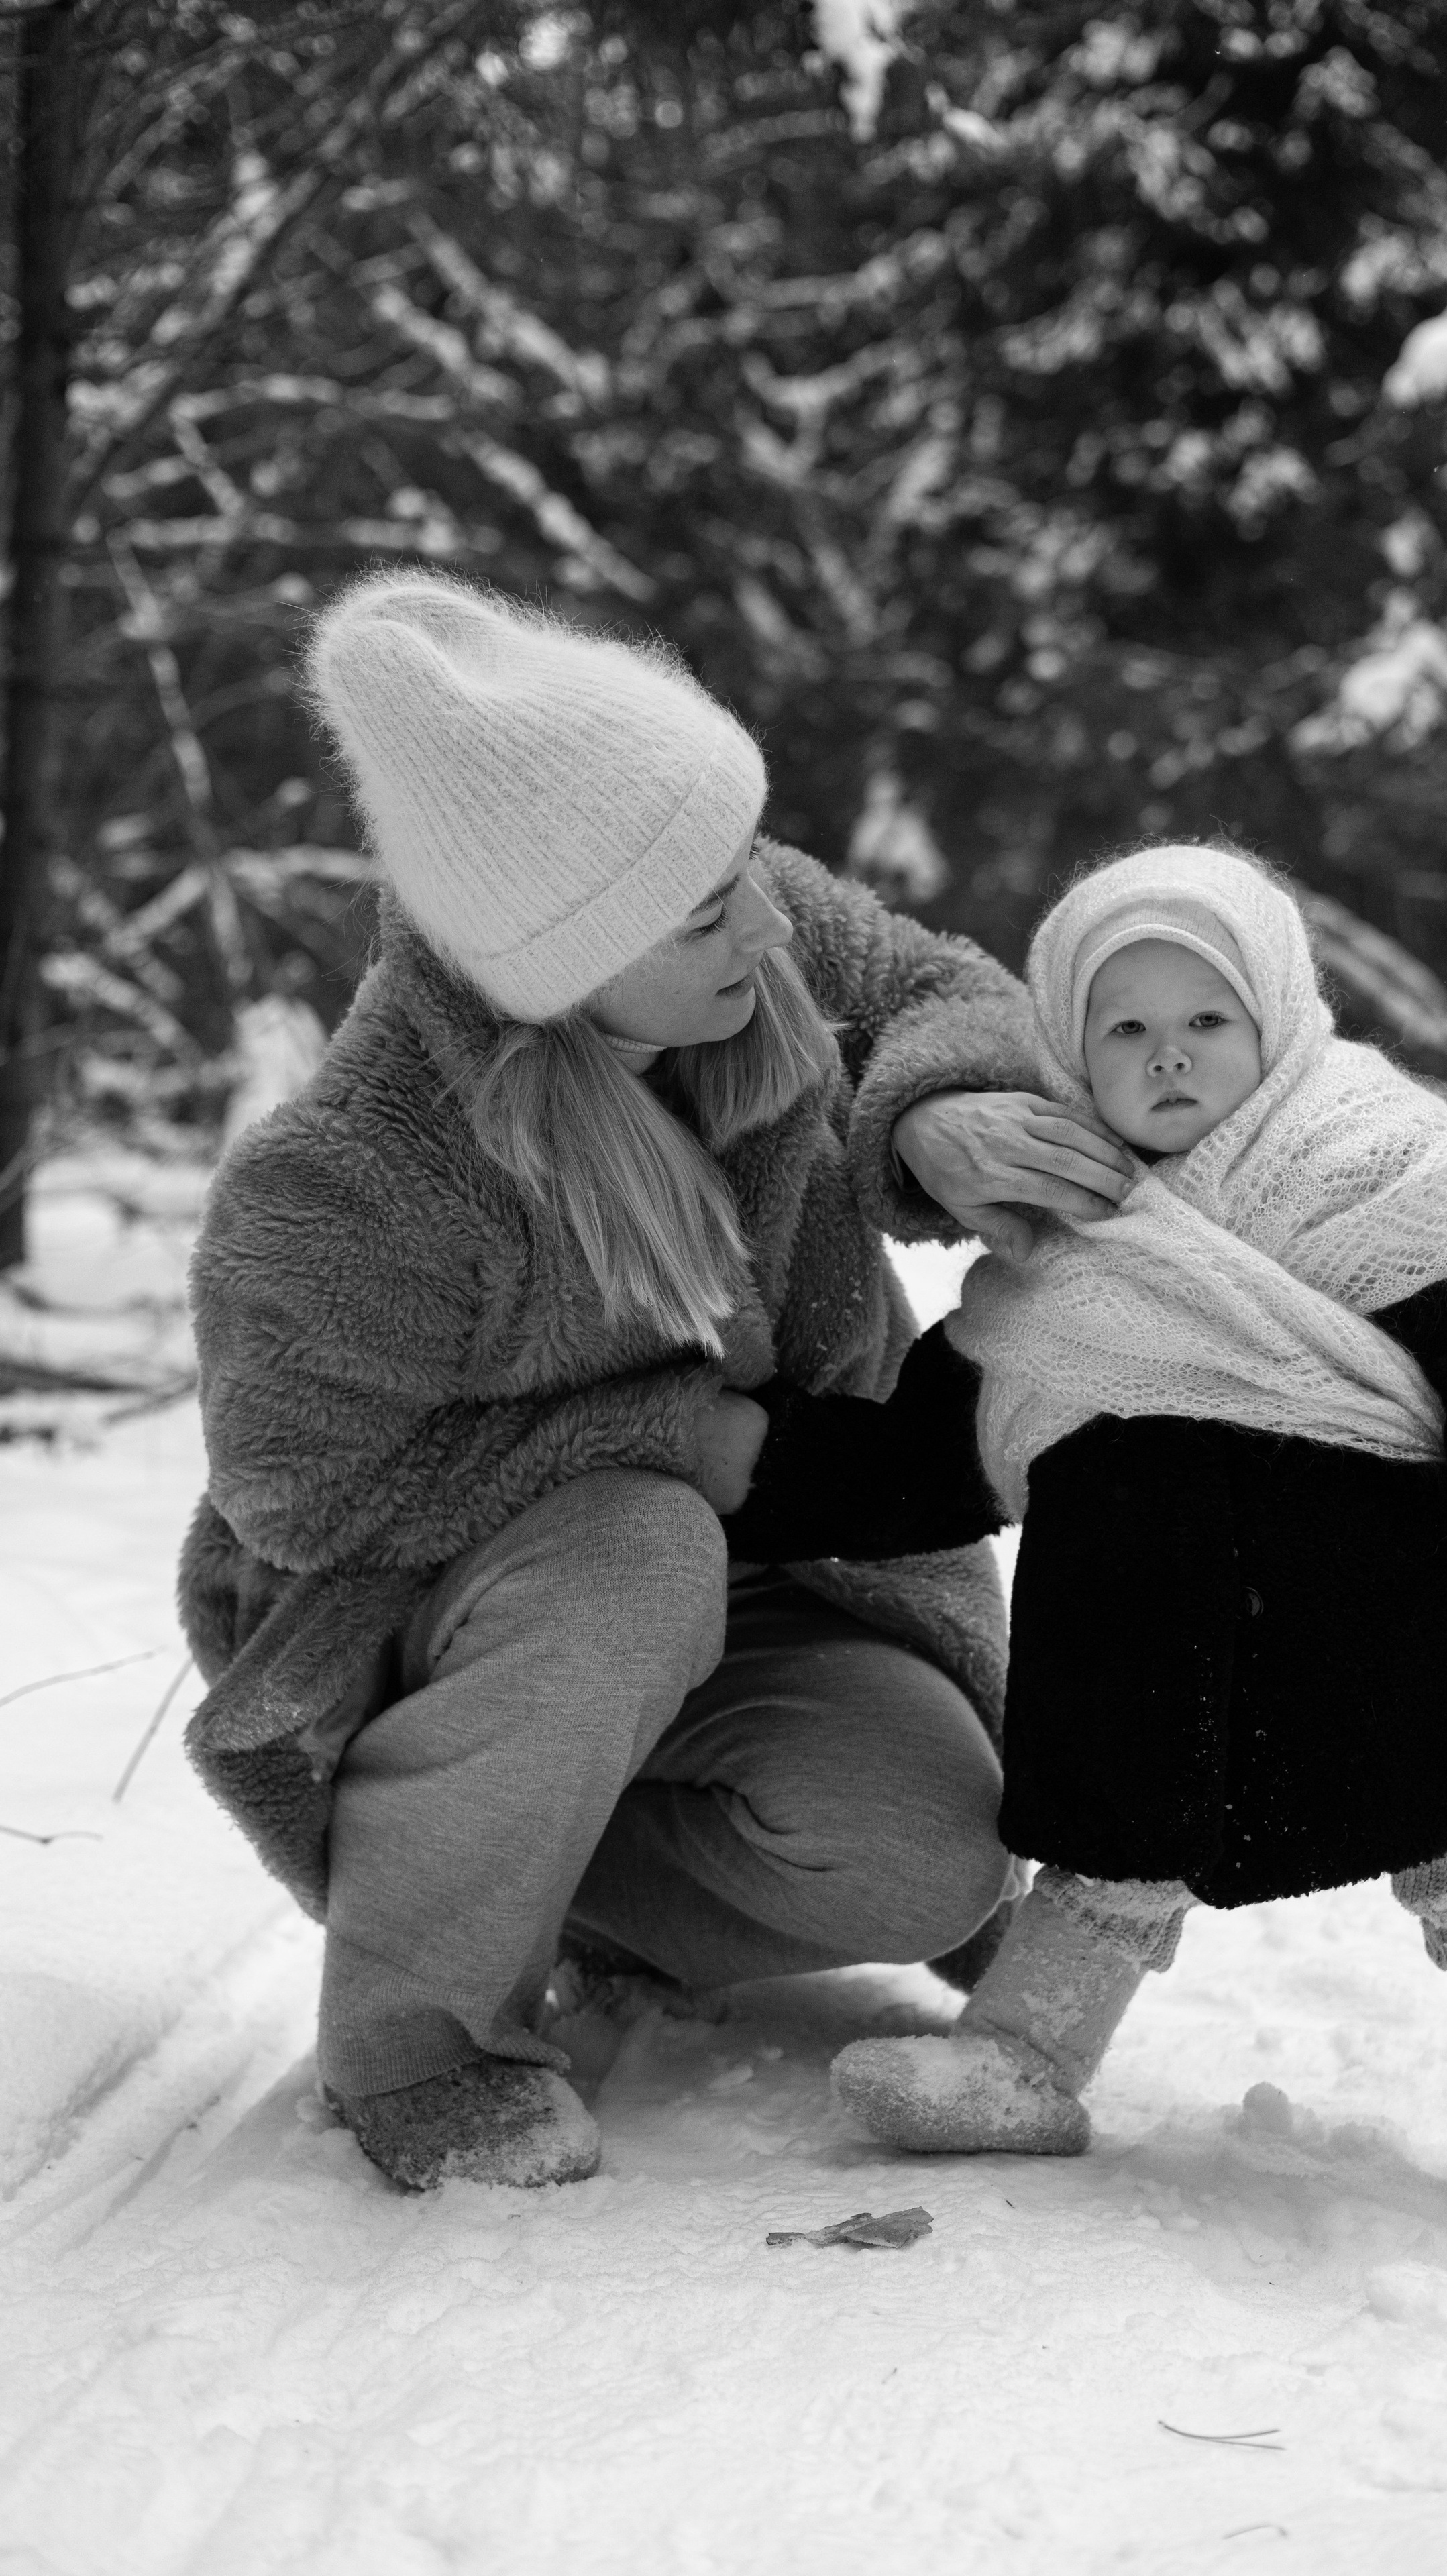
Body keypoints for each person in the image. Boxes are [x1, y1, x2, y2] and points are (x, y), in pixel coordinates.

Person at [177, 571, 1135, 2192]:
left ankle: (535, 1877)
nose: (767, 923)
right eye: (706, 912)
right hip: (459, 1620)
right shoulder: (350, 1182)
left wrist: (933, 1108)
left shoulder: (731, 920)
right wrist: (669, 1440)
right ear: (555, 964)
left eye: (746, 869)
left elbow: (936, 989)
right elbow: (300, 1494)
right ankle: (416, 2038)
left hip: (757, 1575)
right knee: (636, 1545)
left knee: (932, 1855)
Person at [725, 841, 1447, 2256]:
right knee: (1108, 1865)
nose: (1166, 1058)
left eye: (1203, 1022)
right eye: (1123, 1028)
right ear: (1065, 1045)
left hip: (1401, 1618)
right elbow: (926, 1452)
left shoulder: (1381, 1165)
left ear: (1275, 1020)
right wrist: (741, 1470)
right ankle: (1025, 2064)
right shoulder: (1056, 1250)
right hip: (1144, 1639)